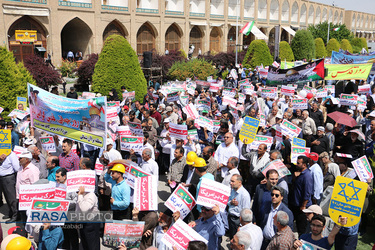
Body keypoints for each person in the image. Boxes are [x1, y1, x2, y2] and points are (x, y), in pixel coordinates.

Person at [290, 155, 313, 236]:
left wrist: (303, 205)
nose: (296, 164)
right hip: (295, 204)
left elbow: (307, 192)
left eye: (298, 163)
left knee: (301, 228)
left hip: (302, 207)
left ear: (304, 165)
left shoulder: (307, 176)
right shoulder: (299, 174)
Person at [76, 184, 100, 250]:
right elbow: (78, 208)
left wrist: (80, 195)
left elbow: (84, 209)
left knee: (92, 246)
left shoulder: (91, 195)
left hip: (91, 223)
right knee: (85, 245)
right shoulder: (80, 194)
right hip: (82, 222)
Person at [227, 174, 251, 239]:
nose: (231, 183)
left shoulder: (244, 195)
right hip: (231, 218)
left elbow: (245, 212)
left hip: (237, 220)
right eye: (230, 181)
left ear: (239, 183)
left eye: (233, 181)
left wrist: (241, 225)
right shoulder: (233, 191)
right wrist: (231, 202)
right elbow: (228, 202)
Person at [0, 152, 20, 223]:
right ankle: (11, 213)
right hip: (2, 177)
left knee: (11, 197)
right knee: (6, 196)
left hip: (8, 177)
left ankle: (16, 215)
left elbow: (17, 167)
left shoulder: (11, 154)